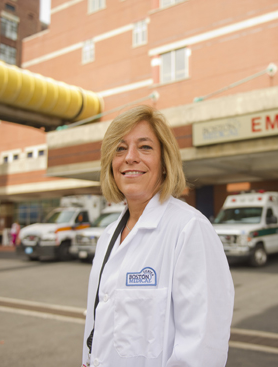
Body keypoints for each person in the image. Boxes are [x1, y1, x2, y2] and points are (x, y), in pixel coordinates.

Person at [82, 106, 234, 367]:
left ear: (165, 164)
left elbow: (203, 350)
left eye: (145, 147)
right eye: (120, 148)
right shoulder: (108, 236)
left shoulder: (189, 229)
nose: (130, 157)